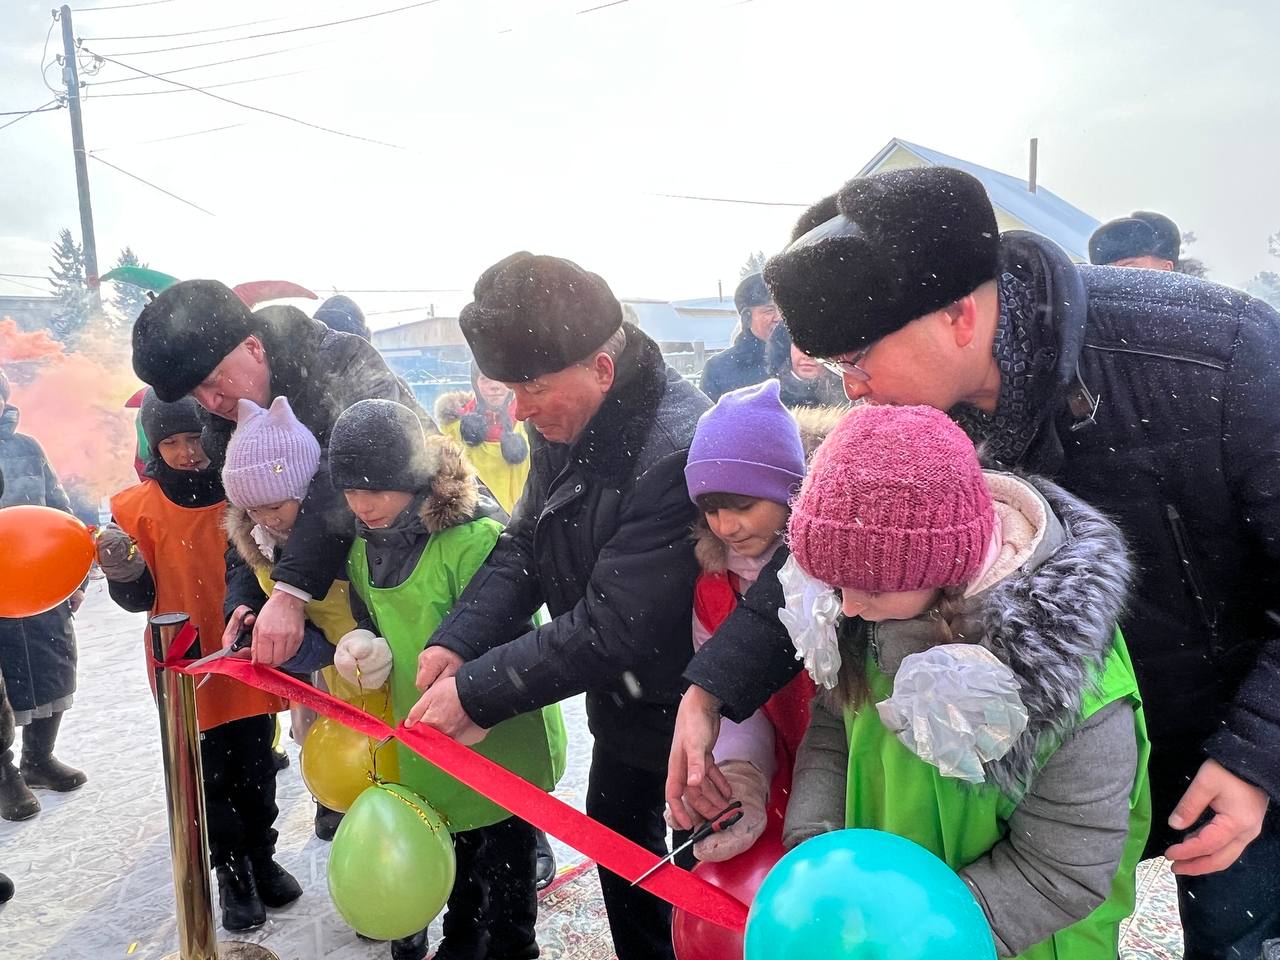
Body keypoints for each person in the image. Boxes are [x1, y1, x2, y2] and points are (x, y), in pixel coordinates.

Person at [672, 165, 1280, 959]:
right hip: (1020, 779)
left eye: (858, 360)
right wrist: (715, 685)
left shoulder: (1212, 354)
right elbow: (833, 555)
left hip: (1217, 730)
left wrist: (1256, 756)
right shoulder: (909, 416)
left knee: (1238, 936)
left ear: (959, 315)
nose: (853, 392)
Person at [406, 252, 710, 960]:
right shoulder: (569, 424)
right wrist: (461, 639)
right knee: (618, 841)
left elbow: (615, 624)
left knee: (699, 876)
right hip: (629, 702)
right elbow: (522, 547)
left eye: (533, 387)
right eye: (510, 389)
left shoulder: (674, 448)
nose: (520, 409)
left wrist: (478, 695)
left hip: (703, 707)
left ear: (600, 368)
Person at [783, 404, 1149, 958]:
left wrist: (924, 932)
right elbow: (836, 728)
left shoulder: (1072, 687)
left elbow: (1063, 870)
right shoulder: (870, 611)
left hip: (1003, 938)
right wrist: (818, 848)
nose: (850, 608)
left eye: (869, 591)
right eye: (835, 588)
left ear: (942, 568)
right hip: (877, 922)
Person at [328, 398, 566, 960]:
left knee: (504, 865)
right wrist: (364, 647)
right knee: (456, 857)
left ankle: (514, 948)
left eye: (377, 489)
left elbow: (513, 633)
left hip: (496, 738)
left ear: (411, 479)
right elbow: (374, 618)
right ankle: (463, 941)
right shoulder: (364, 548)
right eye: (351, 491)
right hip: (427, 737)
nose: (363, 505)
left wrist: (477, 692)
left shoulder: (472, 539)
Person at [131, 280, 432, 674]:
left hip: (421, 565)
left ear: (253, 347)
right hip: (341, 615)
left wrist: (289, 593)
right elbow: (245, 520)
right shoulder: (221, 426)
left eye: (210, 382)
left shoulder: (341, 363)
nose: (209, 404)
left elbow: (342, 483)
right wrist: (246, 602)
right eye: (194, 394)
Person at [96, 390, 298, 932]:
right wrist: (125, 575)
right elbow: (139, 600)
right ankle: (231, 867)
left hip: (244, 649)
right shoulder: (135, 509)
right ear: (155, 446)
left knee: (258, 765)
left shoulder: (240, 494)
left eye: (194, 438)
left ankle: (261, 852)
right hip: (186, 666)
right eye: (172, 441)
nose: (187, 452)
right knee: (208, 777)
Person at [668, 380, 813, 863]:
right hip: (780, 781)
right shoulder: (712, 588)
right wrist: (742, 773)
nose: (726, 526)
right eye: (711, 508)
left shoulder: (838, 576)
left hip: (857, 781)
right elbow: (730, 703)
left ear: (789, 489)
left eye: (744, 505)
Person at [218, 395, 368, 841]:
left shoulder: (348, 539)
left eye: (275, 506)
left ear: (305, 489)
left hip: (389, 672)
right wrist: (270, 639)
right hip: (338, 686)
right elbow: (317, 641)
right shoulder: (258, 541)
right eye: (253, 510)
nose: (266, 519)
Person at [0, 368, 86, 820]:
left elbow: (58, 508)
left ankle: (38, 758)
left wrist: (74, 576)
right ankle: (4, 774)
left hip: (39, 584)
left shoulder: (26, 448)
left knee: (53, 667)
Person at [435, 362, 532, 517]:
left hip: (526, 525)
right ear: (475, 383)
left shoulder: (534, 423)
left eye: (501, 377)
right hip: (479, 528)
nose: (495, 386)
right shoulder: (453, 430)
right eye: (486, 378)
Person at [698, 273, 781, 402]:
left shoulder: (802, 360)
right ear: (747, 317)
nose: (778, 318)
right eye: (769, 311)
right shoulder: (718, 368)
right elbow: (707, 420)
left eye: (783, 310)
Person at [765, 323, 847, 409]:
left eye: (816, 347)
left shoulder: (849, 392)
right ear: (788, 349)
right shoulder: (772, 396)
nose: (807, 356)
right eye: (800, 346)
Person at [1089, 210, 1181, 271]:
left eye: (1130, 270)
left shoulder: (1193, 299)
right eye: (1106, 272)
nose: (1114, 280)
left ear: (1165, 269)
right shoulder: (1083, 297)